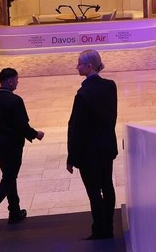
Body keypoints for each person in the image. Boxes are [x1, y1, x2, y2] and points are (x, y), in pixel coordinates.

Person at [0, 68, 44, 232]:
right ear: (10, 81)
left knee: (9, 177)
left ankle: (15, 211)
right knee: (8, 180)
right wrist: (36, 134)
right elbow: (22, 126)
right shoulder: (15, 101)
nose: (18, 82)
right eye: (17, 79)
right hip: (13, 148)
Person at [66, 50, 118, 240]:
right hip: (106, 146)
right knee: (107, 186)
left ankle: (99, 229)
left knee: (94, 191)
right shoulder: (110, 86)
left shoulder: (83, 94)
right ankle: (108, 227)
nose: (77, 66)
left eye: (79, 63)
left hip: (89, 152)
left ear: (89, 66)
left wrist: (71, 157)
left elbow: (76, 128)